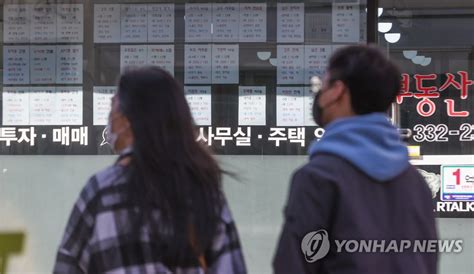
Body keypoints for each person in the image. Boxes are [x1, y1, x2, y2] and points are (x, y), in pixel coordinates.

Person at [53, 67, 247, 273]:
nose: (108, 119)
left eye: (113, 107)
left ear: (127, 122)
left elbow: (66, 267)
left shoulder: (102, 193)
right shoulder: (203, 193)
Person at [273, 45, 437, 274]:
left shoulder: (318, 177)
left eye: (323, 83)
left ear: (337, 91)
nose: (318, 93)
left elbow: (293, 265)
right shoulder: (415, 182)